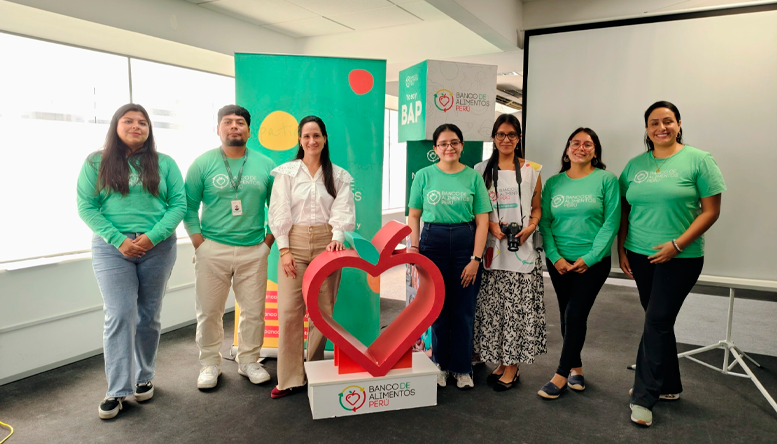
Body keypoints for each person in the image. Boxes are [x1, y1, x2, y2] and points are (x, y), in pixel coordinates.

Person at [619, 101, 726, 427]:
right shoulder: (635, 165)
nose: (661, 127)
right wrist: (621, 250)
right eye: (654, 122)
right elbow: (625, 209)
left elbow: (711, 211)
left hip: (681, 258)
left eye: (667, 121)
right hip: (639, 255)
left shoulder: (699, 160)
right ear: (647, 128)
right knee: (659, 322)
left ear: (678, 124)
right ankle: (669, 385)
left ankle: (643, 397)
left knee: (656, 321)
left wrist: (677, 245)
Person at [77, 103, 186, 419]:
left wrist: (152, 237)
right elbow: (87, 207)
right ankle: (116, 390)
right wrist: (119, 240)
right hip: (112, 248)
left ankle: (143, 376)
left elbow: (178, 204)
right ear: (116, 125)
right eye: (128, 121)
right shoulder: (95, 162)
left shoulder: (165, 163)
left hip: (158, 247)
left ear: (149, 130)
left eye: (143, 122)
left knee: (148, 314)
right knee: (120, 313)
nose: (136, 126)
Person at [184, 105, 276, 390]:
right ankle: (210, 363)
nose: (234, 126)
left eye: (240, 122)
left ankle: (249, 360)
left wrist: (267, 243)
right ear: (218, 129)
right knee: (209, 312)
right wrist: (199, 244)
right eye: (227, 122)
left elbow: (278, 208)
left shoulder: (266, 164)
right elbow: (188, 207)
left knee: (253, 311)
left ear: (249, 131)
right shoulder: (202, 164)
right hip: (213, 249)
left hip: (253, 250)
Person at [268, 116, 355, 399]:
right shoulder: (287, 173)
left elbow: (343, 209)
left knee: (322, 312)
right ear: (300, 140)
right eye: (306, 136)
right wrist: (284, 249)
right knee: (289, 312)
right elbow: (279, 210)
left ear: (325, 138)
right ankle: (289, 378)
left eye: (316, 135)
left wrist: (337, 237)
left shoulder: (338, 175)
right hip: (293, 243)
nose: (311, 141)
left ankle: (314, 372)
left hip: (326, 244)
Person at [537, 128, 621, 399]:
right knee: (566, 315)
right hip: (559, 262)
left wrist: (592, 257)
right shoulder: (553, 183)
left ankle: (561, 374)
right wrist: (554, 257)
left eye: (588, 144)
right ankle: (576, 368)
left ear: (595, 151)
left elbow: (612, 222)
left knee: (575, 314)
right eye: (575, 143)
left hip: (593, 262)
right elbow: (545, 222)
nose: (581, 148)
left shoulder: (607, 180)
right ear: (567, 149)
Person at [407, 123, 491, 390]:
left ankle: (463, 368)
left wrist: (475, 259)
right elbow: (414, 216)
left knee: (464, 310)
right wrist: (414, 249)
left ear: (462, 146)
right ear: (435, 148)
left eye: (454, 142)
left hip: (466, 244)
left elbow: (483, 221)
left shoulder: (473, 177)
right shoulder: (424, 175)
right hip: (433, 243)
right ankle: (440, 365)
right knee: (438, 309)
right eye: (443, 143)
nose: (449, 147)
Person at [472, 114, 546, 392]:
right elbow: (476, 208)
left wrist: (531, 227)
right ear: (493, 137)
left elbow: (537, 208)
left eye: (512, 135)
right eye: (501, 134)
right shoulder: (480, 169)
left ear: (518, 138)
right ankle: (503, 362)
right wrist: (491, 224)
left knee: (516, 311)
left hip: (523, 251)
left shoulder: (532, 169)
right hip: (492, 250)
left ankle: (513, 367)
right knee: (496, 311)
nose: (506, 139)